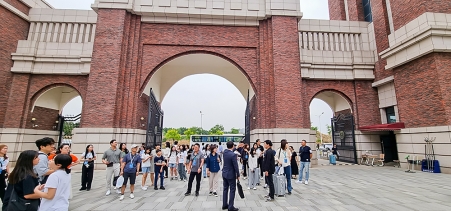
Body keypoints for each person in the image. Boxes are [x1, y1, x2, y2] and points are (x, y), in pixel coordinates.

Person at [221, 141, 239, 211]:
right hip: (231, 174)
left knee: (225, 189)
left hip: (224, 173)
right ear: (233, 146)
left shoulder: (225, 152)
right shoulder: (233, 155)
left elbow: (230, 150)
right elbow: (235, 166)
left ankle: (224, 204)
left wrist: (236, 147)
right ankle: (230, 206)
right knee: (232, 190)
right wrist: (238, 174)